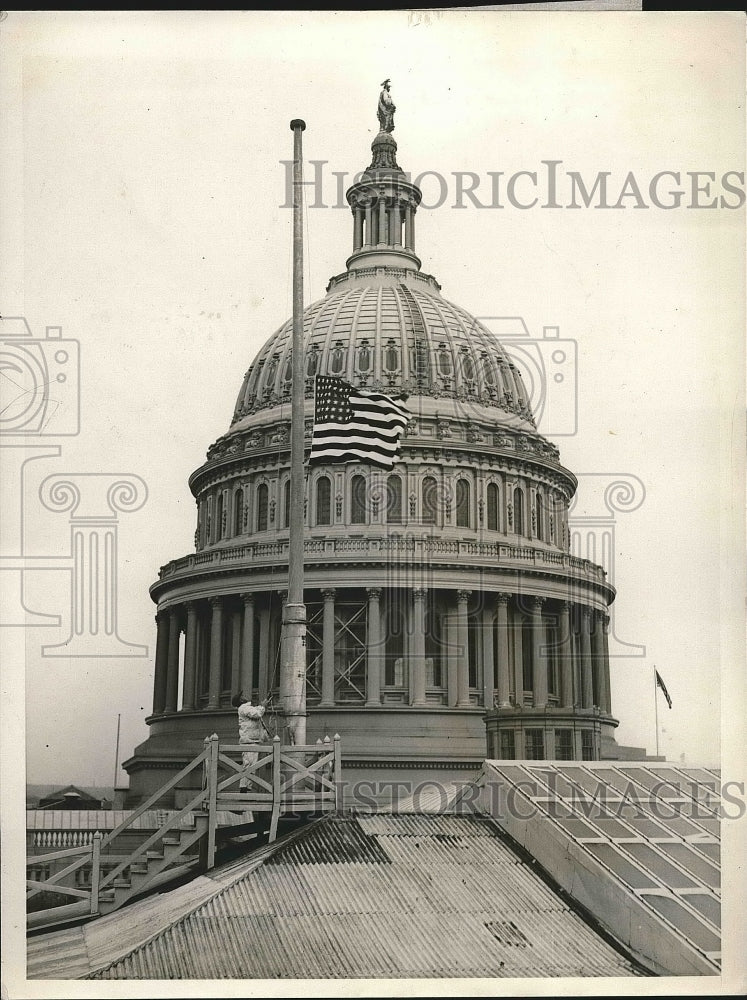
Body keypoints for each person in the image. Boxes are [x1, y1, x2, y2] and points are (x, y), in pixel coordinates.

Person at [231, 692, 270, 792]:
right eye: (242, 696)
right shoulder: (244, 708)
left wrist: (262, 705)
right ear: (241, 700)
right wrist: (263, 706)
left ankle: (246, 789)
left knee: (250, 766)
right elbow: (257, 713)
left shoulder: (245, 708)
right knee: (249, 766)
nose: (245, 697)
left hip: (250, 740)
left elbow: (256, 711)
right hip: (249, 741)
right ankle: (244, 790)